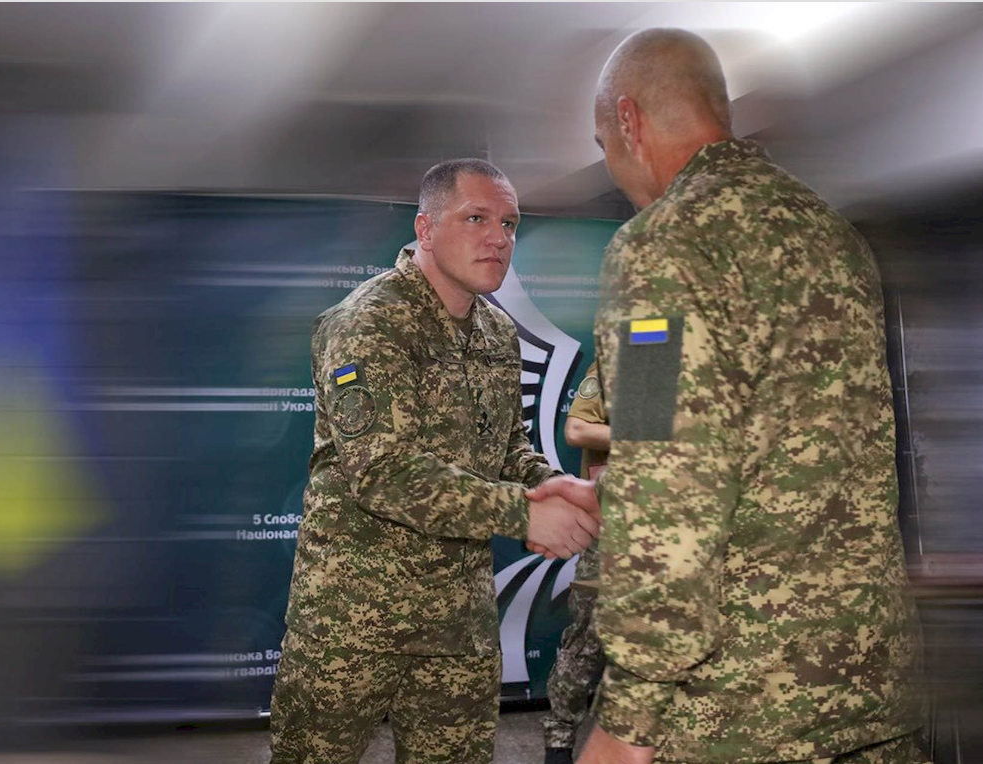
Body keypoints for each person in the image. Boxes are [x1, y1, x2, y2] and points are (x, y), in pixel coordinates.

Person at [530, 28, 927, 764]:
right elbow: (803, 455)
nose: (612, 165)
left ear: (629, 120)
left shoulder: (664, 244)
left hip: (744, 707)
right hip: (871, 684)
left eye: (604, 143)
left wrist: (629, 715)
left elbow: (669, 477)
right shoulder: (831, 233)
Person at [268, 158, 601, 764]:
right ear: (425, 228)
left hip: (458, 625)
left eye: (509, 223)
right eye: (476, 218)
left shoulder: (497, 332)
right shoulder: (369, 322)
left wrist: (553, 486)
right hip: (355, 622)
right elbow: (383, 472)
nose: (498, 238)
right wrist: (524, 515)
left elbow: (507, 448)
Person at [542, 359, 610, 764]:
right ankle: (559, 737)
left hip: (677, 527)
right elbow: (578, 430)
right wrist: (655, 438)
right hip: (612, 523)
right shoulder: (630, 356)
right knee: (586, 637)